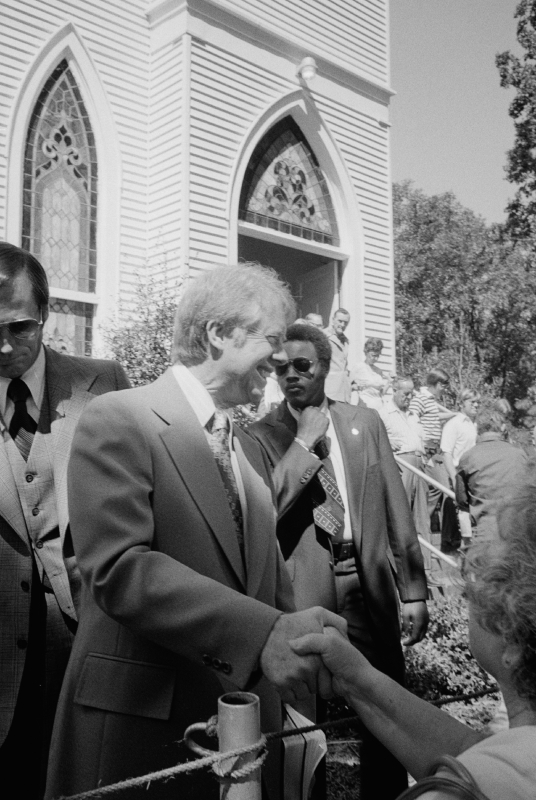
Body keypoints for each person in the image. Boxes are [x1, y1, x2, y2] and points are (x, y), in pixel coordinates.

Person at [45, 264, 345, 800]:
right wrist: (262, 636)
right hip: (138, 736)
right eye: (273, 340)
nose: (282, 360)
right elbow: (119, 569)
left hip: (239, 741)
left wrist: (303, 643)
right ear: (217, 334)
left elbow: (269, 584)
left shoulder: (248, 445)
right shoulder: (119, 418)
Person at [248, 323, 429, 800]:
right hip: (305, 587)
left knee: (384, 701)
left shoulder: (363, 422)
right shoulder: (262, 434)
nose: (290, 375)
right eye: (280, 367)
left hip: (366, 581)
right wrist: (303, 444)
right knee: (306, 717)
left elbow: (395, 504)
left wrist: (414, 590)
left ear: (325, 368)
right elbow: (264, 509)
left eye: (302, 365)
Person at [291, 464, 536, 800]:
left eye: (486, 577)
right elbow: (473, 751)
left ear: (513, 639)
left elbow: (482, 771)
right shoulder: (510, 758)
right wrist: (358, 679)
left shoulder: (467, 789)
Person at [0, 243, 130, 799]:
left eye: (19, 326)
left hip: (88, 643)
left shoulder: (103, 385)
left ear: (46, 315)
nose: (3, 345)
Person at [379, 377, 434, 580]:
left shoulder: (413, 415)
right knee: (401, 516)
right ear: (394, 390)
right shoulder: (383, 414)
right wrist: (387, 441)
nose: (410, 397)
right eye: (406, 393)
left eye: (412, 393)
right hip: (401, 466)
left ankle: (425, 569)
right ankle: (404, 569)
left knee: (422, 518)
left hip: (420, 465)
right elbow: (376, 440)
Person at [455, 409, 528, 543]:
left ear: (477, 429)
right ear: (502, 428)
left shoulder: (468, 457)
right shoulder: (519, 455)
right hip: (515, 530)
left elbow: (461, 499)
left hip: (485, 532)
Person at [410, 369, 459, 553]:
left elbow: (434, 417)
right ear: (438, 384)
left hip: (434, 450)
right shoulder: (420, 398)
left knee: (440, 487)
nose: (444, 390)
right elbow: (413, 419)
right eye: (444, 386)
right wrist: (421, 449)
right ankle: (419, 527)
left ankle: (422, 526)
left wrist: (453, 414)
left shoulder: (430, 401)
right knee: (439, 486)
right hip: (425, 450)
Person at [441, 389, 480, 544]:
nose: (476, 405)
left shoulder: (475, 424)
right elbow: (446, 454)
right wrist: (454, 479)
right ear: (462, 403)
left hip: (474, 473)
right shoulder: (453, 424)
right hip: (459, 473)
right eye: (472, 402)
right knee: (461, 513)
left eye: (478, 402)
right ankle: (456, 545)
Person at [352, 337, 390, 410]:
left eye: (378, 355)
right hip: (365, 407)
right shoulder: (359, 367)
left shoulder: (379, 371)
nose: (376, 359)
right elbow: (348, 386)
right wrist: (355, 387)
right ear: (366, 352)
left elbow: (381, 393)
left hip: (379, 407)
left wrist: (389, 382)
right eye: (373, 355)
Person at [323, 308, 352, 402]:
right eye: (340, 321)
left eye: (345, 322)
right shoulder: (324, 336)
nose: (342, 325)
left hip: (344, 391)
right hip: (330, 389)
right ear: (333, 320)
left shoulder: (345, 341)